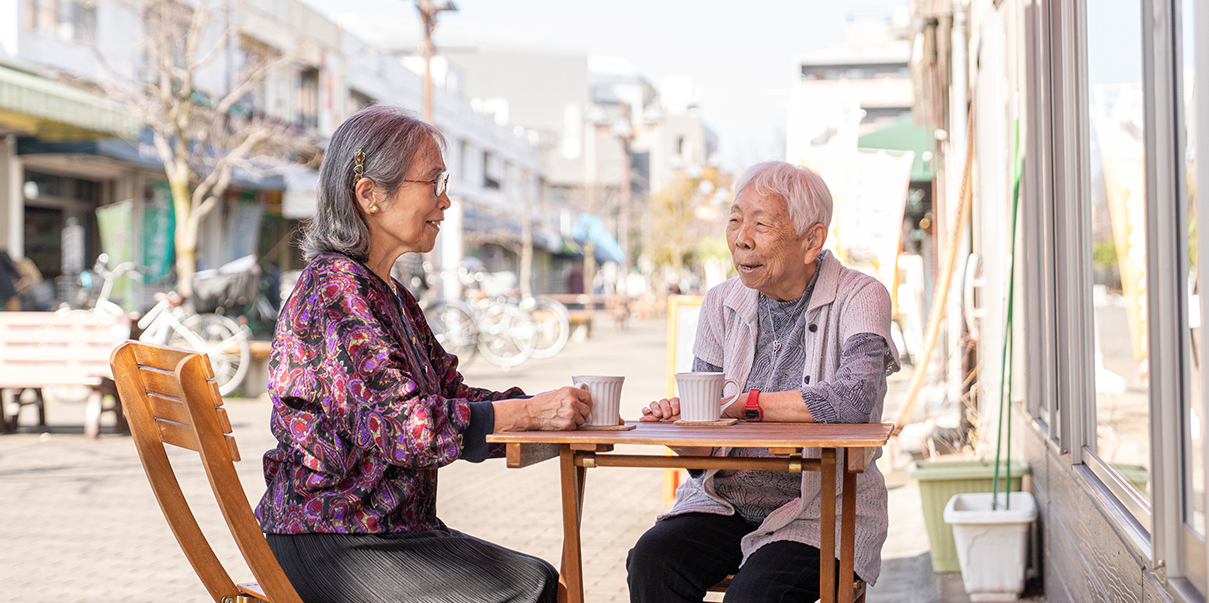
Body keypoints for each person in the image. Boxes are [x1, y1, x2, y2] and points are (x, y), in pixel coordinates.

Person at [257, 105, 592, 603]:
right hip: (332, 536)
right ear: (369, 194)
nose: (446, 200)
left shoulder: (386, 293)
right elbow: (405, 427)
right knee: (530, 591)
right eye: (432, 182)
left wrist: (544, 410)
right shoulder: (334, 291)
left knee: (539, 582)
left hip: (386, 532)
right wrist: (526, 413)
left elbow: (449, 395)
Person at [627, 161, 899, 603]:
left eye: (761, 223)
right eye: (734, 220)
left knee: (756, 595)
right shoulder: (720, 302)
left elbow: (854, 399)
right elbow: (703, 460)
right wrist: (684, 429)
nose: (741, 238)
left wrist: (743, 405)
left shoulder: (861, 296)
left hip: (819, 512)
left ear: (812, 240)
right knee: (653, 560)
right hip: (725, 501)